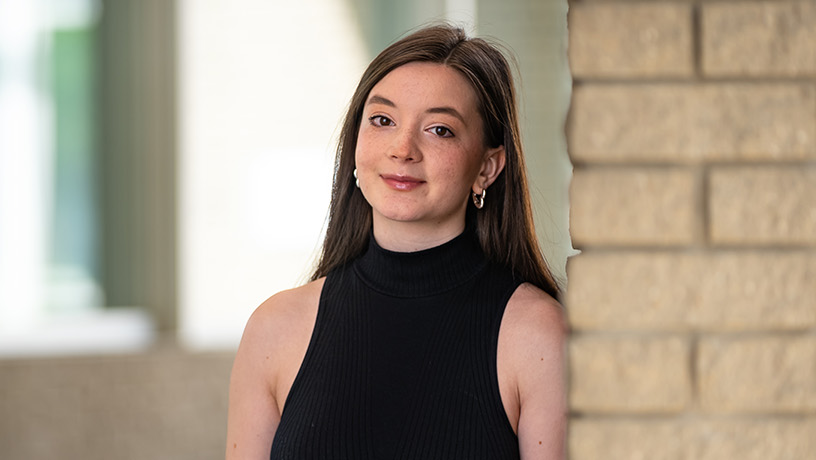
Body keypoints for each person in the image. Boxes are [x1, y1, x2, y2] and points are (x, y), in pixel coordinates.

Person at [225, 25, 567, 459]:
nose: (402, 149)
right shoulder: (274, 329)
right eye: (383, 120)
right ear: (355, 145)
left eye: (439, 130)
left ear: (488, 167)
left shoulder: (537, 335)